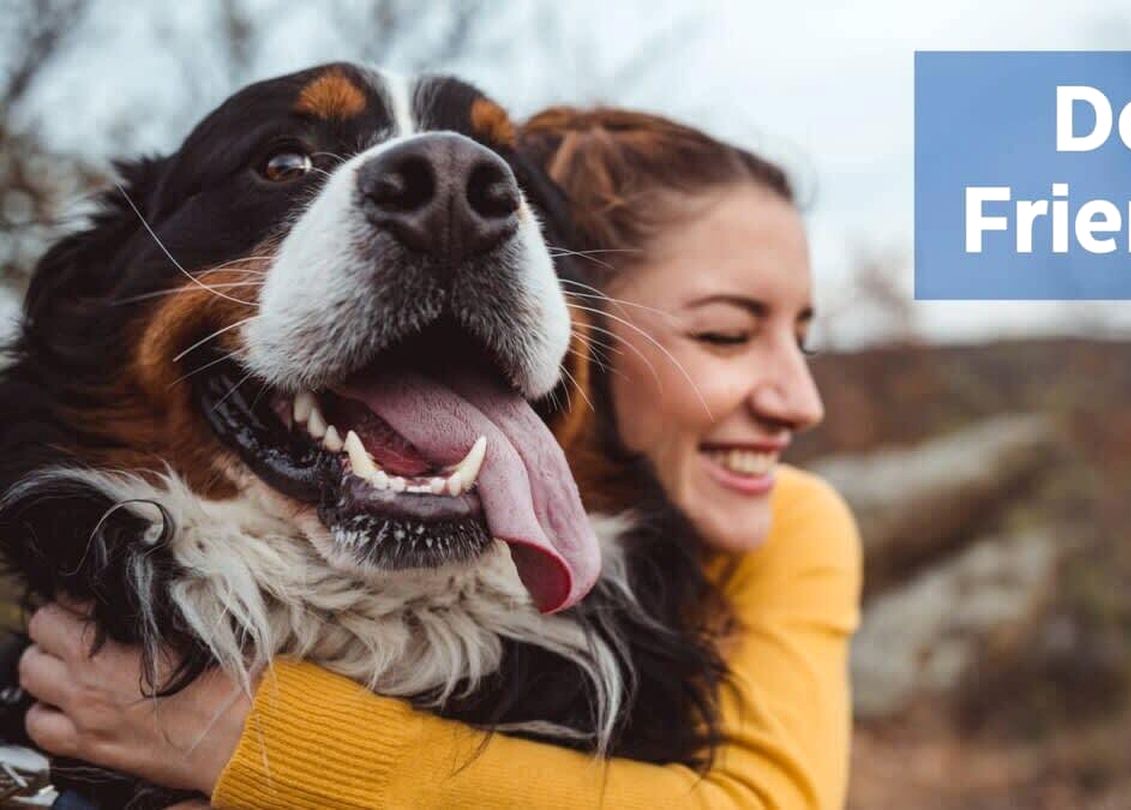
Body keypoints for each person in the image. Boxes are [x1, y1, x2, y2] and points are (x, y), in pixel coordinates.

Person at [19, 107, 863, 809]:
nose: (802, 402)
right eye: (724, 334)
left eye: (804, 337)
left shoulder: (794, 519)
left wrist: (252, 739)